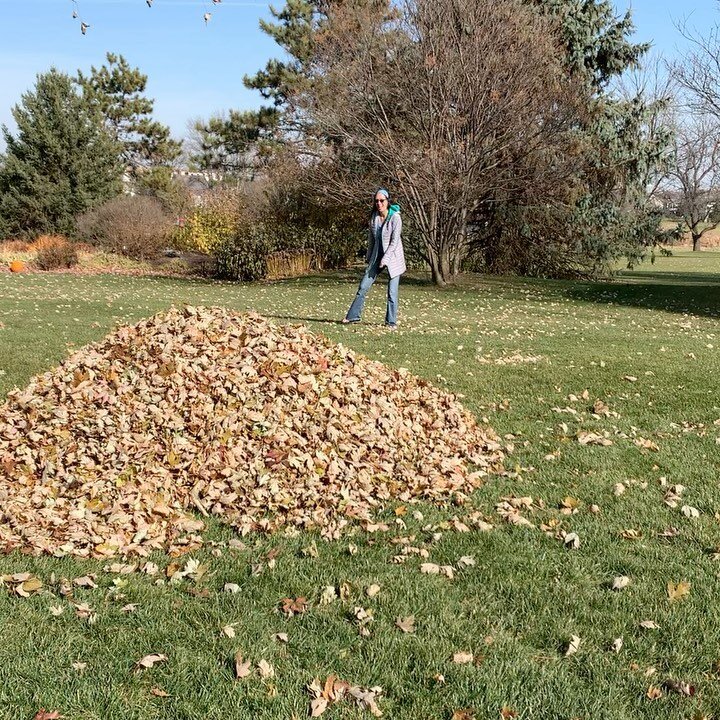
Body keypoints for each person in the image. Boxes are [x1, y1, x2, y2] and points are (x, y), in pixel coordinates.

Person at [342, 188, 406, 329]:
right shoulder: (374, 218)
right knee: (363, 286)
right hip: (377, 256)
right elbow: (371, 239)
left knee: (392, 292)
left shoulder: (395, 217)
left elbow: (394, 242)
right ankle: (353, 316)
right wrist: (369, 257)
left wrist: (386, 259)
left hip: (393, 259)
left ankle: (391, 322)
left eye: (382, 200)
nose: (379, 203)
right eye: (376, 201)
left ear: (387, 201)